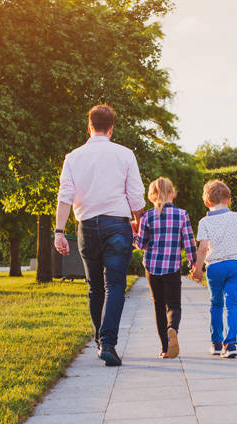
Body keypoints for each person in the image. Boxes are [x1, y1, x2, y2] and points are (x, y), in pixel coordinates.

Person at [54, 104, 145, 367]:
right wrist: (139, 224)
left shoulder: (73, 157)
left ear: (89, 126)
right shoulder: (125, 154)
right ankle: (108, 343)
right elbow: (136, 196)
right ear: (112, 128)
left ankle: (99, 340)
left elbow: (65, 198)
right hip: (117, 224)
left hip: (86, 226)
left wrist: (59, 232)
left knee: (95, 286)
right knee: (114, 285)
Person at [192, 180, 237, 358]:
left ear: (207, 202)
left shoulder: (204, 222)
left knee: (216, 304)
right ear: (229, 199)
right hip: (234, 266)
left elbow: (203, 248)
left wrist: (198, 270)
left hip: (214, 268)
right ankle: (231, 343)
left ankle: (216, 343)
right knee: (232, 304)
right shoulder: (236, 217)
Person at [134, 177, 197, 359]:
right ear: (172, 193)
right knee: (174, 305)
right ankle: (172, 328)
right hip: (172, 266)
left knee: (158, 305)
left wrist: (133, 233)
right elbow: (189, 243)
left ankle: (164, 348)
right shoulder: (182, 214)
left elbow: (141, 244)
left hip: (152, 267)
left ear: (152, 196)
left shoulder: (147, 216)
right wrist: (194, 264)